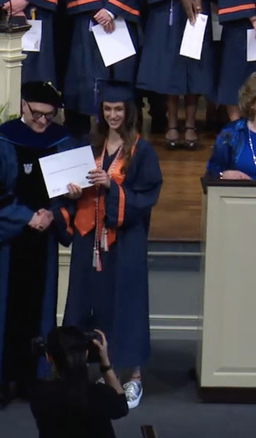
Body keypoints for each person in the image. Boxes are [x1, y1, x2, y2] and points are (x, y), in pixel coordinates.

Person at [0, 81, 75, 411]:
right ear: (23, 105)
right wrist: (26, 217)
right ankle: (2, 383)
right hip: (6, 244)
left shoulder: (62, 141)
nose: (42, 122)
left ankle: (33, 379)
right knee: (2, 312)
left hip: (42, 243)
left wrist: (53, 214)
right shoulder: (1, 139)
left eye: (49, 116)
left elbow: (72, 195)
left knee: (37, 312)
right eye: (37, 114)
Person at [62, 80, 162, 410]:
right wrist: (74, 192)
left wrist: (113, 188)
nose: (113, 115)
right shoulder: (90, 146)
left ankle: (133, 377)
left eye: (118, 109)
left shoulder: (141, 151)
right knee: (88, 303)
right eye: (107, 109)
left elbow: (148, 195)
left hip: (125, 241)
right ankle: (90, 372)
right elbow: (72, 188)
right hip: (89, 235)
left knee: (127, 305)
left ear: (129, 111)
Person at [137, 0, 215, 150]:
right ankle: (171, 124)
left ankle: (190, 125)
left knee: (194, 66)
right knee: (170, 67)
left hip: (197, 8)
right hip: (168, 10)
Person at [30, 327, 128, 438]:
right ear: (86, 354)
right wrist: (105, 364)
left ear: (48, 357)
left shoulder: (39, 394)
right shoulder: (101, 393)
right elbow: (122, 408)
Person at [62, 0, 140, 135]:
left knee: (120, 77)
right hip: (83, 16)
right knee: (81, 82)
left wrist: (111, 9)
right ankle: (78, 141)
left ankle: (122, 141)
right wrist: (93, 7)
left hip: (121, 19)